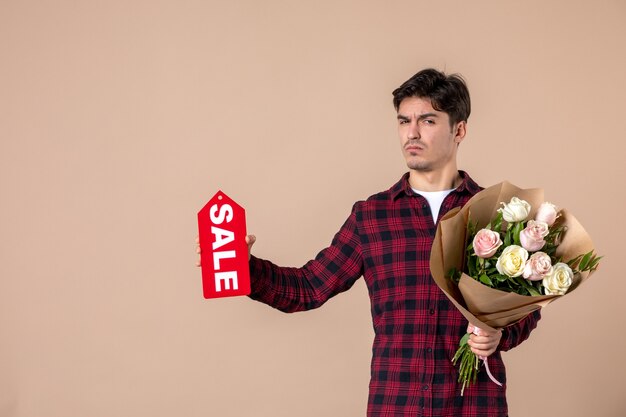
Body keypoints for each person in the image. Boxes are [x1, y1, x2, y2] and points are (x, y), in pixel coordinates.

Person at [197, 68, 540, 416]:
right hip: (396, 405)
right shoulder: (371, 217)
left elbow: (526, 306)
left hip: (474, 406)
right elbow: (308, 287)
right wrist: (240, 266)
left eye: (428, 121)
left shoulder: (497, 214)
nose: (413, 133)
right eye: (404, 121)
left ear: (459, 129)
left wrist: (501, 336)